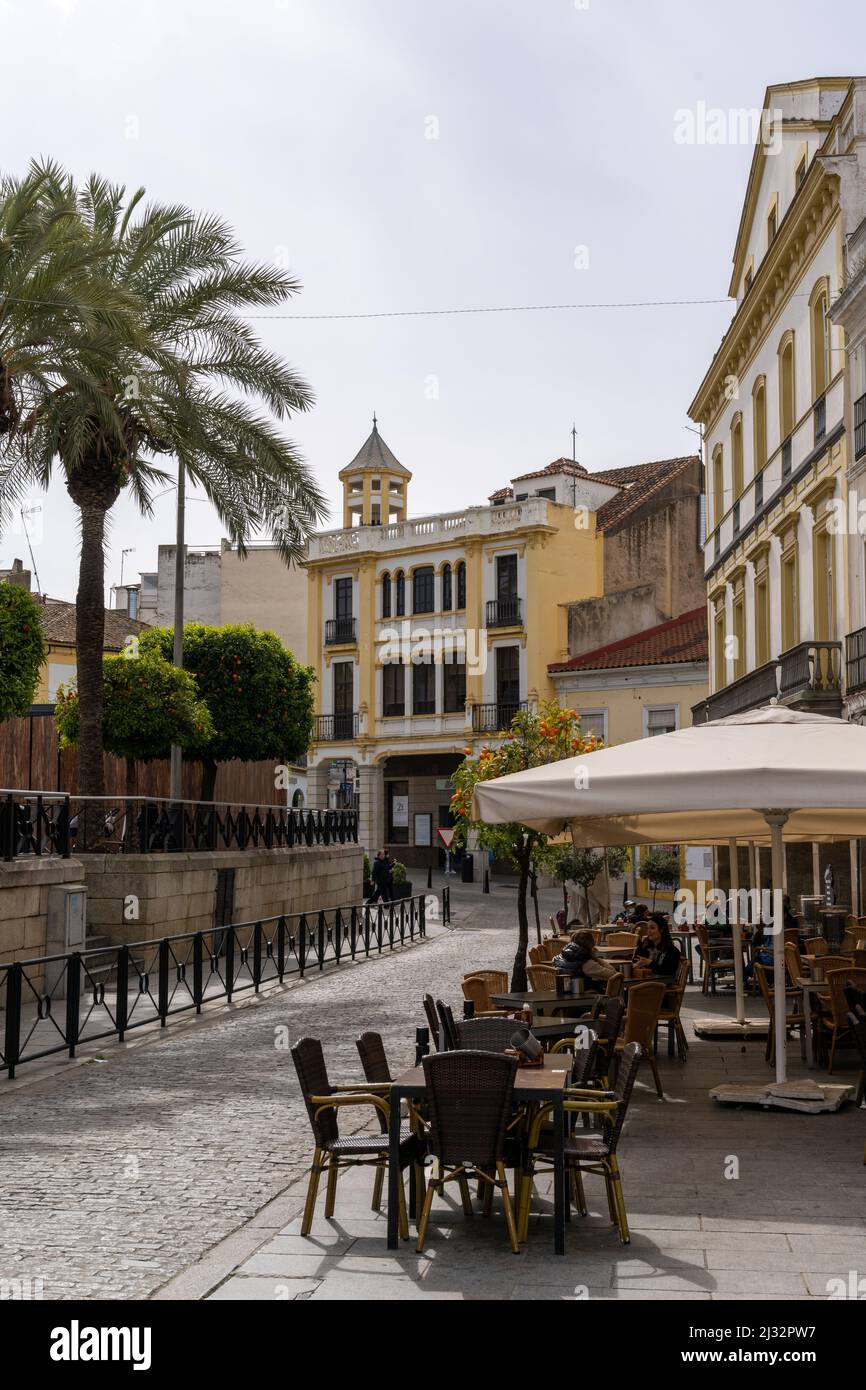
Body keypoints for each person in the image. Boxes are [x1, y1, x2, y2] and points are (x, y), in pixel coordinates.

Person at [553, 930, 617, 992]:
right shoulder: (587, 963)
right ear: (590, 945)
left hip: (559, 994)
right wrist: (596, 958)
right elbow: (614, 975)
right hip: (583, 996)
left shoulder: (557, 958)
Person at [634, 913, 683, 978]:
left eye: (652, 928)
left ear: (661, 929)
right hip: (643, 982)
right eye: (647, 928)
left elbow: (668, 971)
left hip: (662, 985)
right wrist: (636, 965)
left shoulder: (672, 951)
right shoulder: (644, 946)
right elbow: (635, 960)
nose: (648, 931)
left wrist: (650, 963)